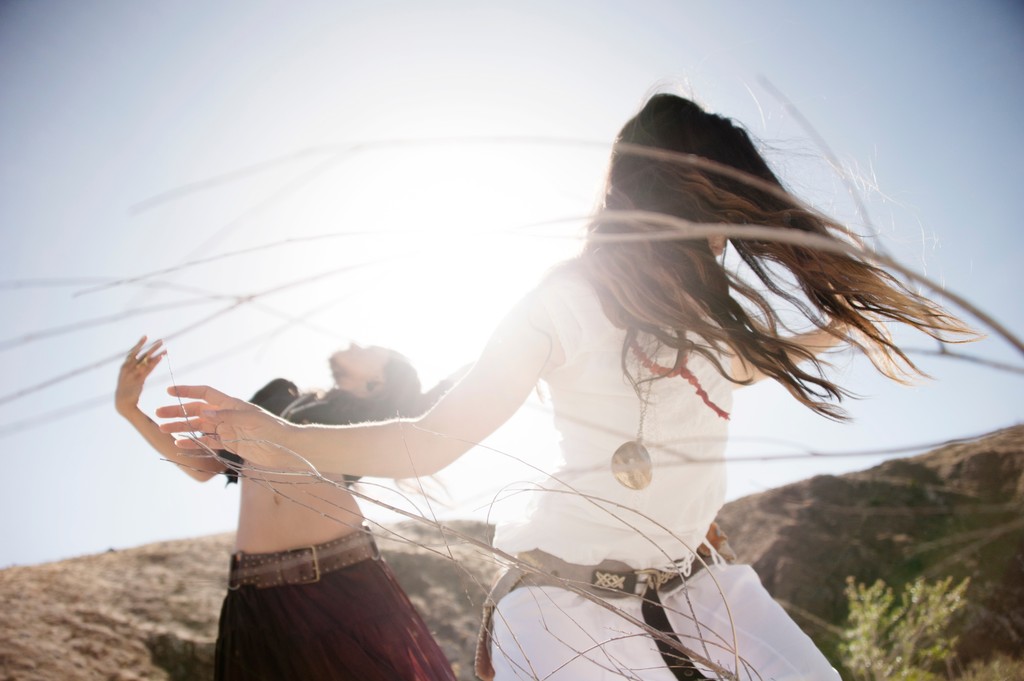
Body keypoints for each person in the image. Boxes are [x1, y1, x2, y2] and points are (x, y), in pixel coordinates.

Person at [156, 93, 974, 680]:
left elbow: (756, 359)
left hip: (703, 589)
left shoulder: (715, 327)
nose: (727, 235)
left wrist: (853, 304)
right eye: (715, 207)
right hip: (564, 603)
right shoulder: (562, 301)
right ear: (664, 199)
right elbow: (428, 438)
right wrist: (286, 437)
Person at [116, 336, 457, 681]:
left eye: (371, 349)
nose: (357, 343)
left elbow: (458, 397)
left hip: (342, 578)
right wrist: (129, 408)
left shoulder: (376, 418)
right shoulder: (278, 395)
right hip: (254, 593)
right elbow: (203, 467)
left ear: (380, 381)